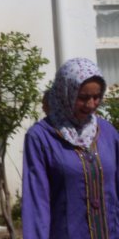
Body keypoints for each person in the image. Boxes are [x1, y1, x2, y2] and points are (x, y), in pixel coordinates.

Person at [22, 57, 119, 239]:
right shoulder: (41, 137)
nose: (91, 105)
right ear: (65, 93)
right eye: (83, 98)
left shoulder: (108, 133)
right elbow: (36, 202)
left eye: (96, 97)